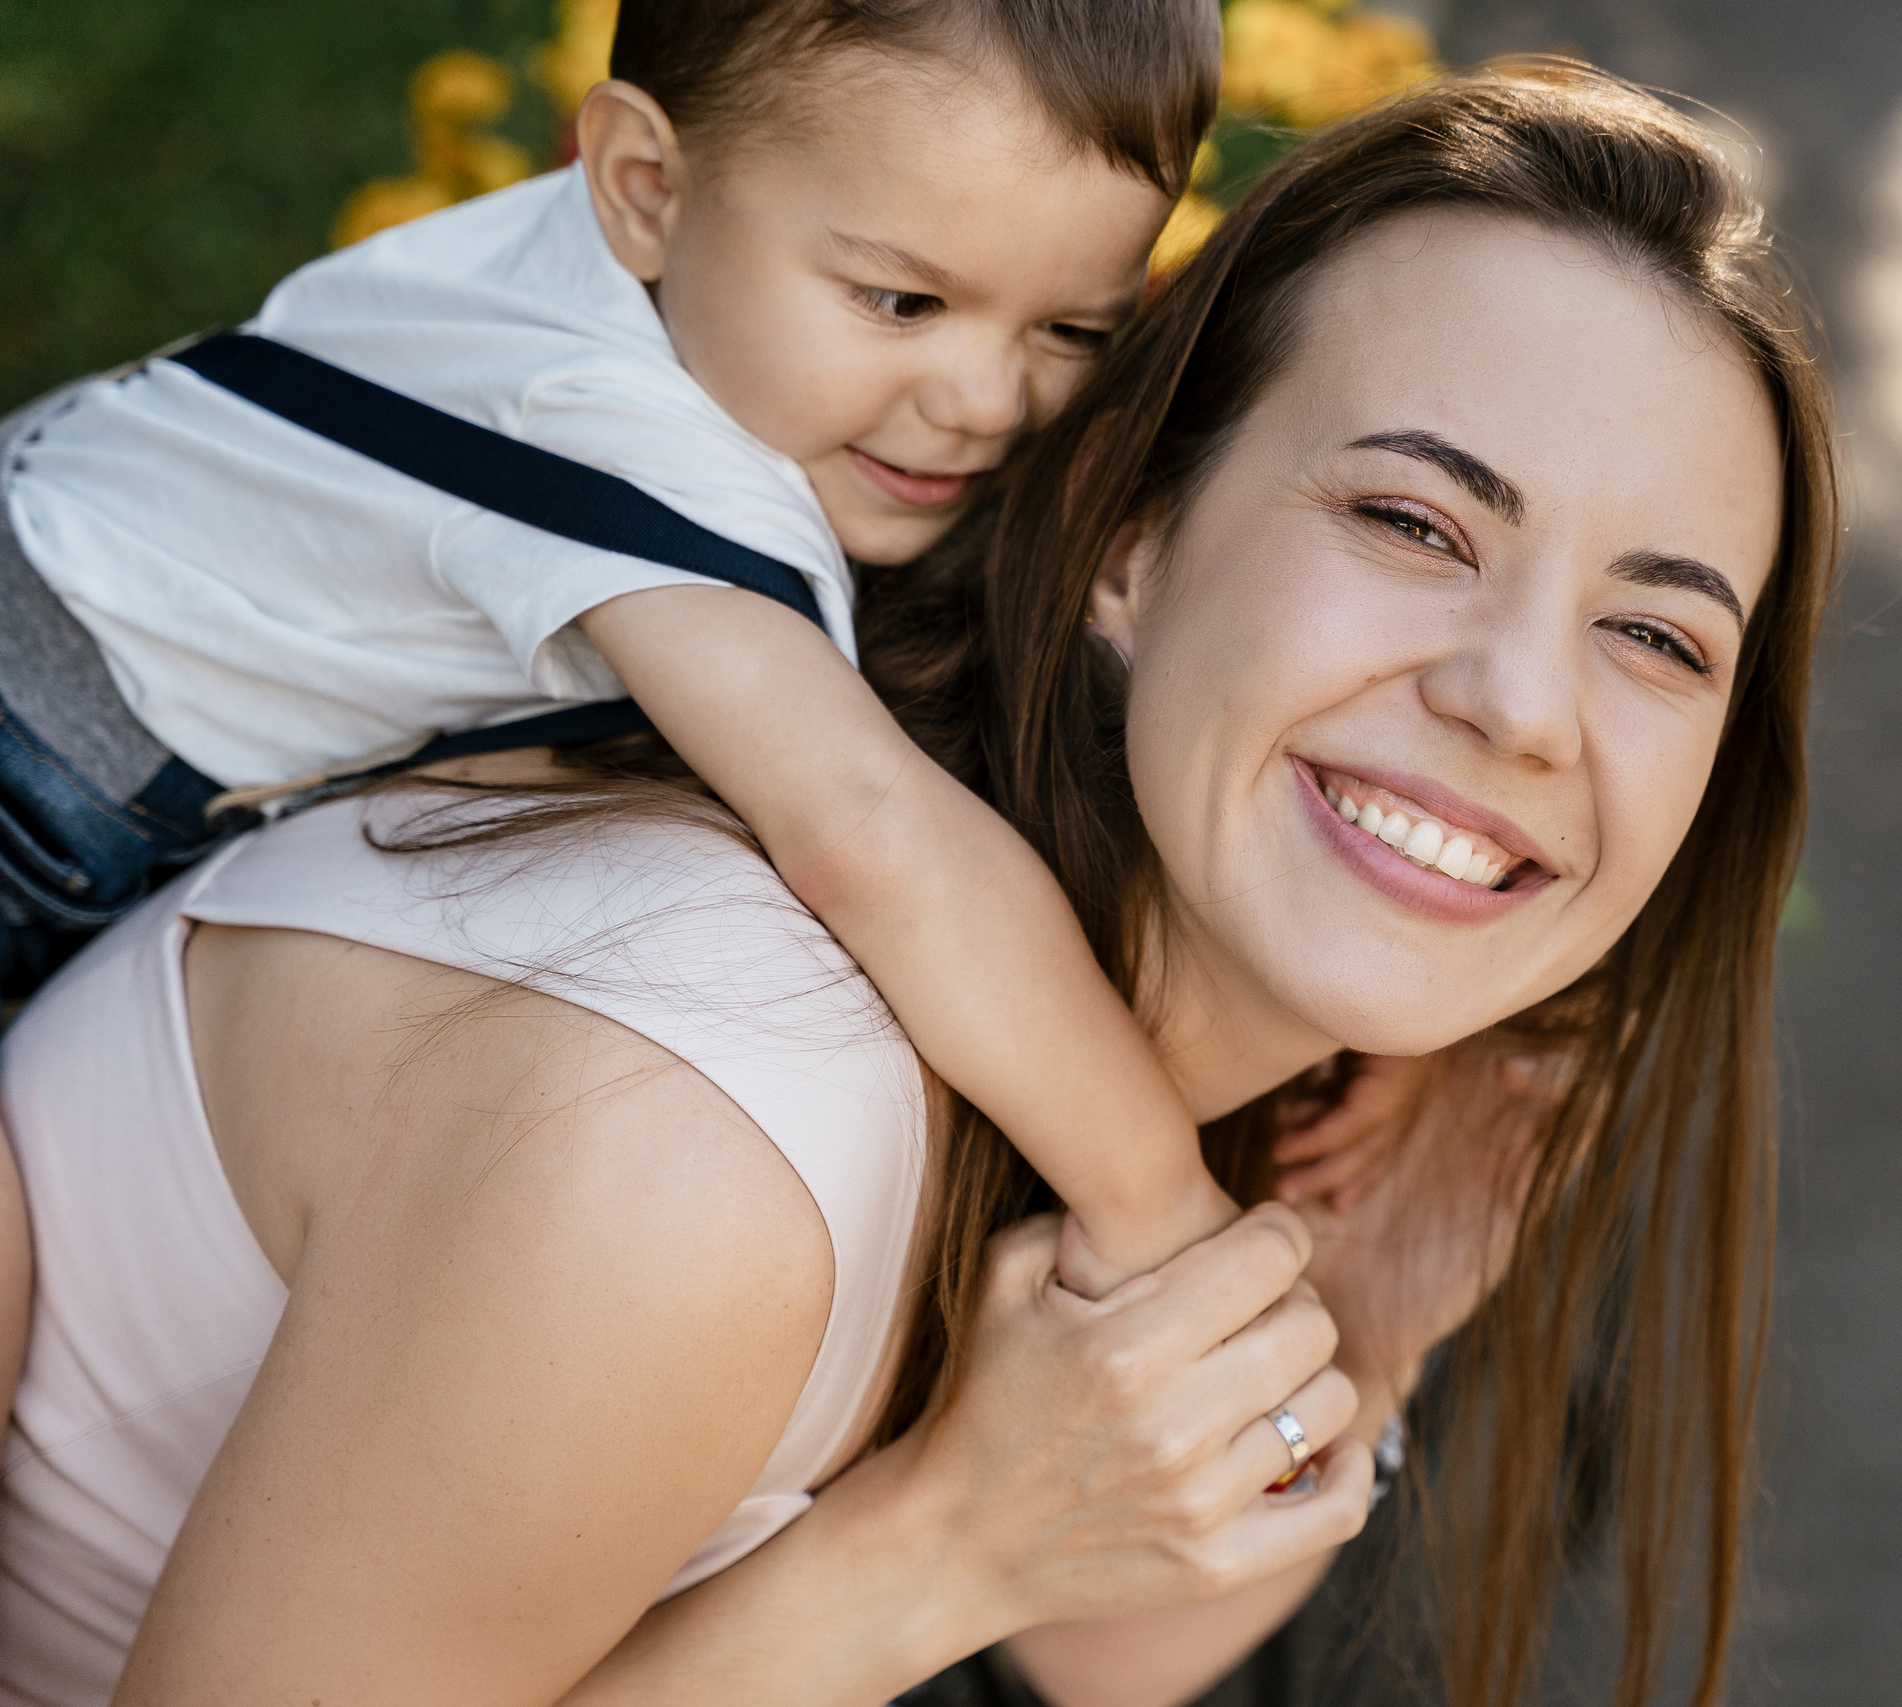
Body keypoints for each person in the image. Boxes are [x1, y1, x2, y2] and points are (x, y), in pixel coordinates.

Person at [0, 65, 1838, 1707]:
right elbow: (1006, 1588)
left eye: (1657, 636)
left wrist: (1352, 1315)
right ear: (1128, 538)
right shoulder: (702, 1128)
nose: (1521, 704)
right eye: (1414, 523)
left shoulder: (1142, 1037)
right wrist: (933, 1555)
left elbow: (1102, 1649)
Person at [0, 0, 1240, 1306]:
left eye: (1074, 332)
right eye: (903, 300)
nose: (987, 402)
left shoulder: (643, 281)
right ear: (645, 186)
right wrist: (1163, 1205)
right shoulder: (597, 428)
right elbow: (869, 830)